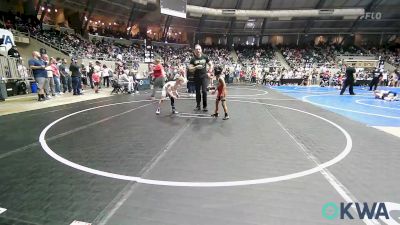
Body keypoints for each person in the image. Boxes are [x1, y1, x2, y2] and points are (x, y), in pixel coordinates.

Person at [188, 44, 213, 112]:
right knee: (197, 92)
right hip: (196, 77)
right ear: (195, 51)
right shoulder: (193, 59)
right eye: (197, 49)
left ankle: (205, 106)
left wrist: (209, 72)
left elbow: (211, 64)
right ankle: (198, 106)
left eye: (199, 49)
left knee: (204, 91)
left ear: (201, 50)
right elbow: (190, 69)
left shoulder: (205, 57)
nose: (198, 50)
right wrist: (196, 67)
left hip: (204, 76)